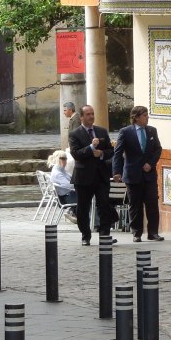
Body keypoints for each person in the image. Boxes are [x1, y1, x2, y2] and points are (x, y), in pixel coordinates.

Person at [112, 105, 165, 243]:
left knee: (152, 203)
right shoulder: (125, 132)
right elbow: (118, 153)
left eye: (147, 115)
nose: (147, 118)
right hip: (132, 174)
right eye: (144, 115)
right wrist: (117, 171)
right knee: (135, 205)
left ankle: (153, 232)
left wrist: (151, 163)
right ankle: (137, 233)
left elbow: (158, 149)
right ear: (136, 118)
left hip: (149, 175)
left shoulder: (152, 131)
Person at [68, 104, 116, 246]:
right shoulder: (74, 134)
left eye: (92, 114)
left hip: (101, 176)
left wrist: (101, 153)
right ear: (81, 117)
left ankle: (104, 235)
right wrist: (90, 147)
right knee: (83, 208)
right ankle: (85, 236)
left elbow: (110, 151)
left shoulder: (101, 131)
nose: (91, 116)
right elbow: (76, 154)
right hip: (83, 177)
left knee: (104, 205)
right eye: (88, 114)